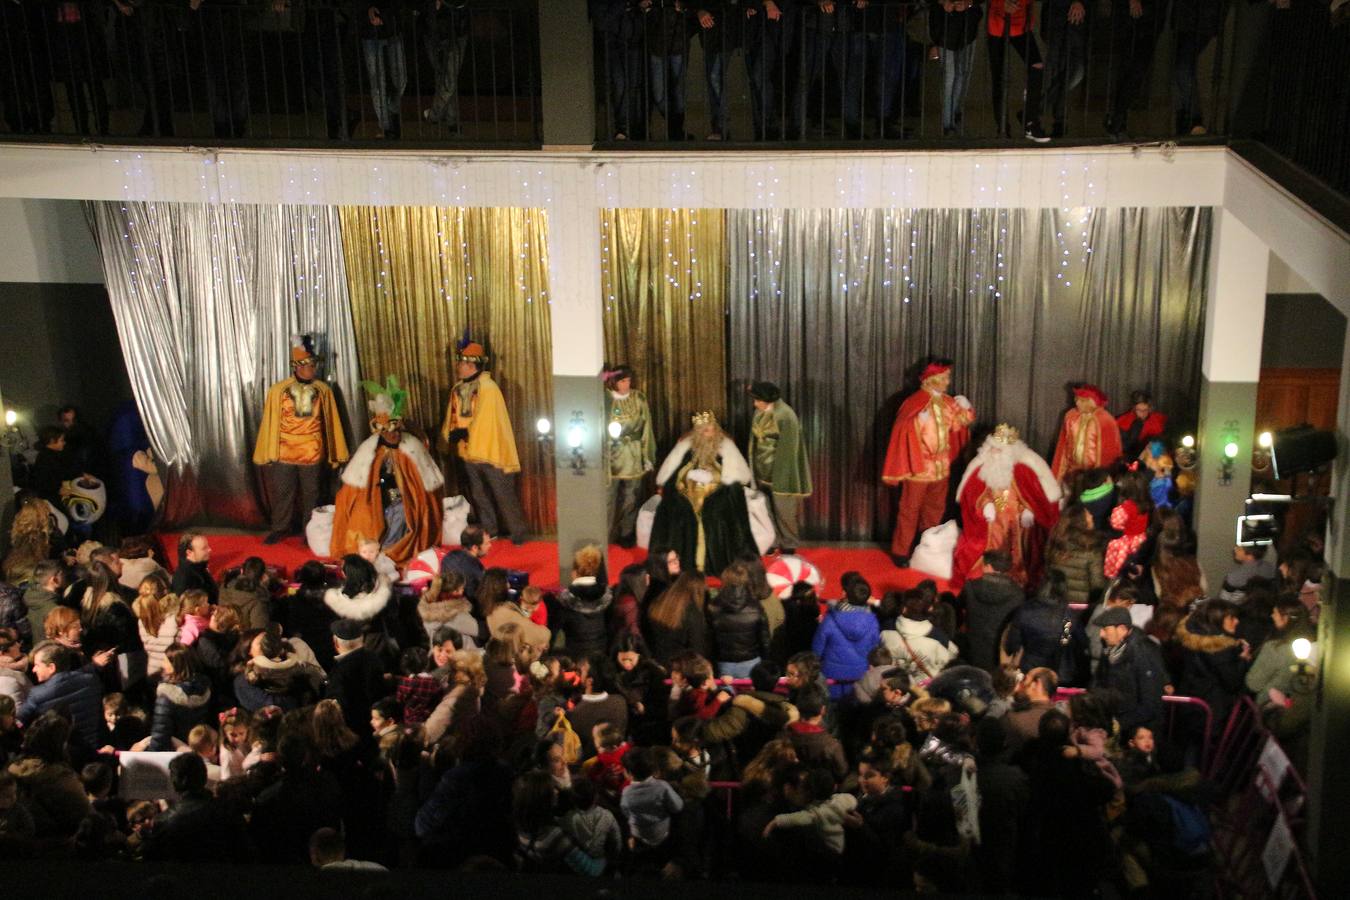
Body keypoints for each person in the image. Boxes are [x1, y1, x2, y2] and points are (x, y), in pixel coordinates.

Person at [332, 375, 444, 564]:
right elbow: (354, 488)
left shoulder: (411, 447)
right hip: (375, 498)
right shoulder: (370, 451)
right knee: (364, 514)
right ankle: (372, 549)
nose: (393, 435)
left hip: (404, 500)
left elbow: (424, 488)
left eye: (396, 431)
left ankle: (389, 552)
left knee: (401, 513)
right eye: (389, 432)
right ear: (381, 432)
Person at [252, 334, 350, 544]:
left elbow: (331, 422)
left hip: (311, 450)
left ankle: (309, 532)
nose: (311, 369)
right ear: (297, 366)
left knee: (312, 495)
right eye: (307, 365)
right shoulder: (278, 391)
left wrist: (335, 451)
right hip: (284, 450)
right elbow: (270, 422)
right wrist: (268, 450)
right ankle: (280, 527)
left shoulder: (323, 390)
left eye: (313, 365)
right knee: (283, 493)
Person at [881, 359, 975, 564]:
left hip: (941, 468)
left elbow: (960, 423)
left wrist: (966, 408)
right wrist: (916, 422)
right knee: (909, 510)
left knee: (935, 510)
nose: (948, 382)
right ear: (932, 379)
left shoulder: (947, 402)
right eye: (944, 378)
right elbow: (902, 429)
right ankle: (901, 551)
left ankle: (925, 547)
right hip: (920, 468)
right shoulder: (914, 402)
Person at [951, 424, 1062, 589]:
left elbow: (1031, 496)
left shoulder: (1022, 471)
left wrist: (1027, 511)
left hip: (1016, 522)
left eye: (998, 450)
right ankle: (991, 573)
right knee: (993, 548)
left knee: (1017, 550)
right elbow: (976, 494)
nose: (994, 453)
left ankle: (1016, 575)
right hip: (993, 523)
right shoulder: (984, 469)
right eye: (992, 449)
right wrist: (985, 505)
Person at [440, 340, 528, 543]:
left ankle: (518, 533)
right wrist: (451, 434)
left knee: (503, 494)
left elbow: (487, 420)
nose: (458, 367)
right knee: (479, 495)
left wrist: (466, 432)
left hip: (490, 451)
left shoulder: (488, 388)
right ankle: (491, 530)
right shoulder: (457, 389)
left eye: (461, 363)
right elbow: (453, 416)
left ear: (471, 365)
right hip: (468, 452)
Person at [651, 411, 757, 573]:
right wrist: (688, 476)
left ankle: (714, 559)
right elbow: (674, 473)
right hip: (689, 493)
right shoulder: (687, 447)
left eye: (712, 429)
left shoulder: (726, 447)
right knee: (677, 507)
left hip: (718, 493)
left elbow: (736, 476)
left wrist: (715, 478)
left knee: (717, 511)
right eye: (705, 430)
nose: (709, 433)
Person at [747, 381, 812, 555]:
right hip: (762, 471)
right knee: (766, 509)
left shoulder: (786, 416)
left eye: (758, 400)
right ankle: (773, 540)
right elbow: (754, 443)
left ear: (768, 399)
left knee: (784, 511)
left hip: (781, 473)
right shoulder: (758, 413)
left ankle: (789, 543)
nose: (755, 404)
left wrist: (782, 476)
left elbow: (789, 449)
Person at [1093, 606, 1167, 739]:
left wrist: (1120, 724)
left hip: (1136, 732)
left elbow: (1150, 703)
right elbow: (1099, 681)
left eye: (1105, 629)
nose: (1101, 634)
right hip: (1115, 723)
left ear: (1122, 629)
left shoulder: (1144, 653)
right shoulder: (1110, 649)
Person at [603, 365, 656, 548]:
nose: (626, 385)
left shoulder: (638, 398)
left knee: (631, 497)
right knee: (608, 498)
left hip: (632, 456)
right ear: (614, 382)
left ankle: (626, 534)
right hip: (611, 457)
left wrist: (647, 454)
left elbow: (646, 427)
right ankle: (606, 534)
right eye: (622, 381)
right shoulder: (605, 399)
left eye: (628, 381)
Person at [19, 643, 103, 754]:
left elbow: (19, 721)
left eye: (37, 665)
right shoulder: (91, 680)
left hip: (62, 755)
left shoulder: (37, 694)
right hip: (93, 750)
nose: (34, 670)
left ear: (51, 668)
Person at [812, 575, 879, 700]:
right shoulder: (873, 622)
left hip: (831, 674)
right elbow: (874, 648)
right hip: (859, 675)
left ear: (845, 595)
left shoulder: (830, 619)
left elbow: (817, 649)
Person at [959, 549, 1025, 672]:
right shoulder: (1018, 595)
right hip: (998, 657)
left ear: (988, 566)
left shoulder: (970, 587)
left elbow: (959, 612)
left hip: (970, 651)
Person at [929, 0, 984, 136]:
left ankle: (951, 117)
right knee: (951, 77)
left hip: (965, 31)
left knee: (960, 75)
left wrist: (968, 3)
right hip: (945, 30)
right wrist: (944, 3)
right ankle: (948, 122)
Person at [147, 643, 212, 752]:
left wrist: (151, 754)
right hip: (199, 748)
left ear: (176, 665)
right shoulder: (204, 689)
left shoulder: (166, 697)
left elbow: (160, 735)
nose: (162, 664)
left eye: (165, 661)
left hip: (175, 752)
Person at [1052, 384, 1123, 482]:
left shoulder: (1105, 420)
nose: (1077, 403)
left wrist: (1100, 477)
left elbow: (1109, 453)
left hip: (1093, 474)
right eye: (1077, 400)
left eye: (1082, 401)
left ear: (1092, 402)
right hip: (1072, 473)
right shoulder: (1071, 417)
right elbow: (1063, 446)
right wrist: (1059, 474)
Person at [357, 0, 408, 138]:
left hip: (392, 27)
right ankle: (386, 126)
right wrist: (368, 12)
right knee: (377, 83)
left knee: (401, 79)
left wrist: (382, 15)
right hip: (371, 31)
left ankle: (389, 113)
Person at [554, 545, 613, 660]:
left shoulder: (564, 600)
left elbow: (555, 632)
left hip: (575, 657)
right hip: (601, 655)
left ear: (574, 572)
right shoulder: (608, 596)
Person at [421, 0, 469, 130]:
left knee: (448, 80)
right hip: (435, 30)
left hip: (454, 31)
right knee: (445, 78)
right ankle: (451, 120)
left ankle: (435, 115)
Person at [1115, 390, 1167, 461]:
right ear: (1133, 408)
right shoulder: (1123, 420)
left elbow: (1160, 445)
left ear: (1150, 408)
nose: (1142, 414)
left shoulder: (1157, 420)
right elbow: (1123, 447)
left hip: (1151, 458)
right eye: (1139, 410)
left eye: (1145, 410)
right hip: (1130, 457)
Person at [170, 533, 217, 605]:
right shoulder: (185, 579)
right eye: (204, 548)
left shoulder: (199, 567)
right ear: (189, 553)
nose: (210, 550)